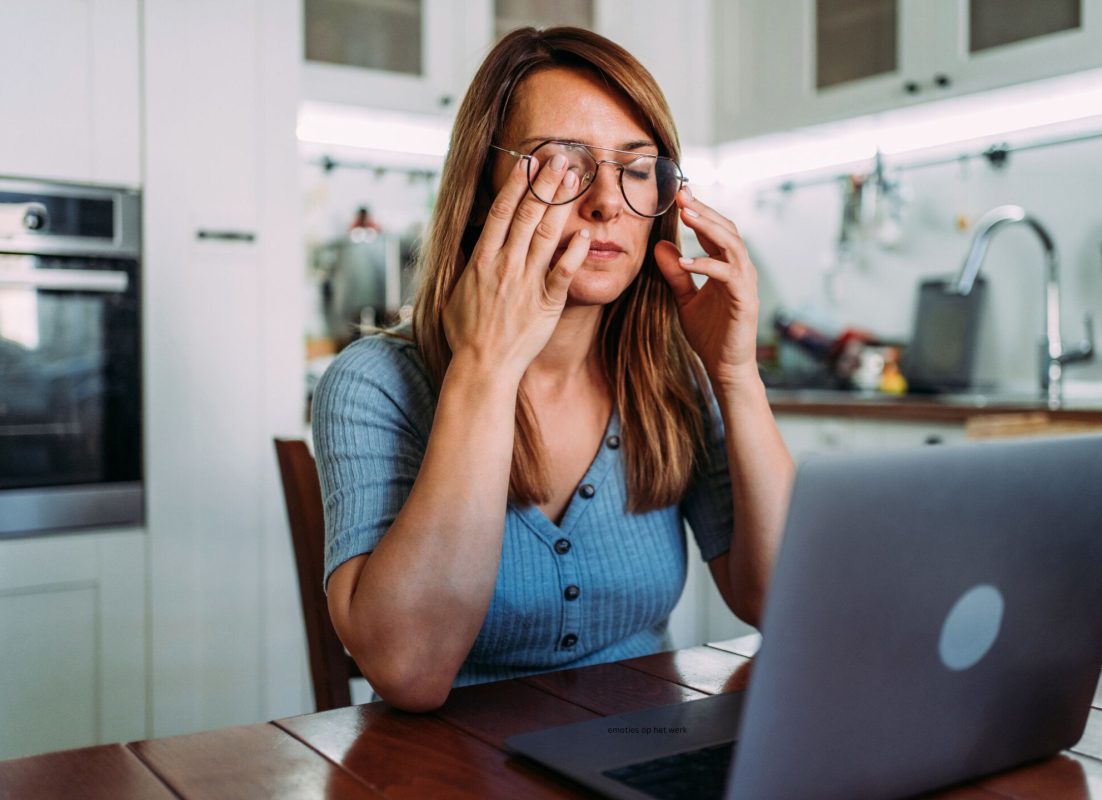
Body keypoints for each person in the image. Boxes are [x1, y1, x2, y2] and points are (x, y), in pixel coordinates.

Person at [312, 26, 795, 712]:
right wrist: (484, 365)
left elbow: (779, 602)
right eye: (561, 168)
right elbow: (409, 671)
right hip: (444, 770)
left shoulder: (672, 380)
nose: (606, 202)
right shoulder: (373, 383)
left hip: (644, 750)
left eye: (634, 169)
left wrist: (735, 375)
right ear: (483, 192)